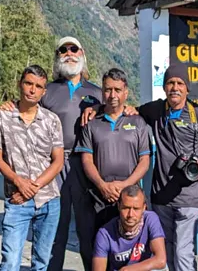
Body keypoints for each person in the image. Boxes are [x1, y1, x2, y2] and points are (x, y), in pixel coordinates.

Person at [135, 62, 198, 271]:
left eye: (180, 83)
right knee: (165, 252)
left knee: (183, 253)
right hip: (161, 196)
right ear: (164, 87)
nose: (175, 88)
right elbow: (130, 111)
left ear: (187, 88)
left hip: (189, 196)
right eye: (170, 83)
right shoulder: (155, 110)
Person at [0, 65, 66, 271]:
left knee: (41, 263)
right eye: (28, 83)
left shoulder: (52, 120)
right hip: (17, 199)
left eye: (38, 86)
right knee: (10, 262)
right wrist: (18, 182)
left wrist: (34, 186)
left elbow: (58, 161)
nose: (32, 90)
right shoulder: (2, 117)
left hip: (49, 200)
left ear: (44, 91)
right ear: (20, 84)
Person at [75, 68, 152, 268]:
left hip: (130, 201)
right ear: (102, 92)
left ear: (126, 92)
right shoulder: (91, 124)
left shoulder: (138, 122)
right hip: (100, 198)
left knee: (133, 253)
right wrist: (102, 185)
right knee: (101, 251)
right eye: (108, 90)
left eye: (117, 90)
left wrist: (125, 186)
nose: (112, 95)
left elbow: (144, 161)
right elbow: (86, 160)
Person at [42, 36, 103, 271]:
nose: (69, 53)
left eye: (73, 49)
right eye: (63, 50)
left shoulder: (97, 92)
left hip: (85, 165)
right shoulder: (46, 90)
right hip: (54, 164)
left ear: (82, 53)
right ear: (57, 56)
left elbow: (116, 110)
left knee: (88, 228)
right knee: (54, 227)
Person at [92, 185, 167, 271]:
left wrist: (129, 270)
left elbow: (161, 260)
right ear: (119, 206)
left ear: (144, 208)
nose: (130, 214)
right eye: (126, 208)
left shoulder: (151, 219)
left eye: (136, 209)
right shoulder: (104, 233)